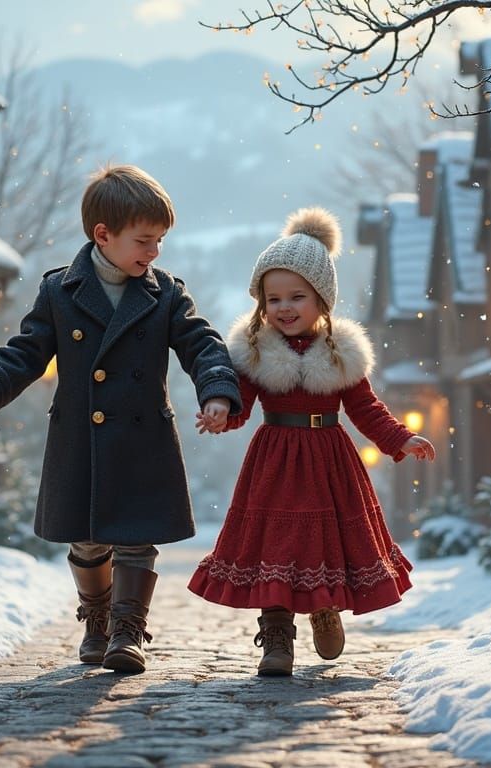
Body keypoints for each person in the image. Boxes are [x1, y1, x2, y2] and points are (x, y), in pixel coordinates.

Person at [0, 164, 242, 674]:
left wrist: (217, 392)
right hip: (79, 436)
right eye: (145, 241)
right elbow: (25, 351)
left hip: (142, 434)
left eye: (160, 242)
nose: (154, 253)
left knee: (135, 534)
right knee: (86, 537)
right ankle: (98, 616)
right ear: (102, 235)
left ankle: (129, 630)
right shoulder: (59, 292)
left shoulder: (166, 294)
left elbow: (202, 344)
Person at [187, 207, 435, 676]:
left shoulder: (341, 354)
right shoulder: (257, 351)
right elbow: (240, 399)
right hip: (275, 460)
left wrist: (400, 439)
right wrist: (222, 412)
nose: (284, 308)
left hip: (329, 460)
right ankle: (277, 634)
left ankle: (324, 607)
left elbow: (366, 409)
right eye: (273, 298)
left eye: (297, 297)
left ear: (322, 300)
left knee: (324, 540)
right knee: (275, 545)